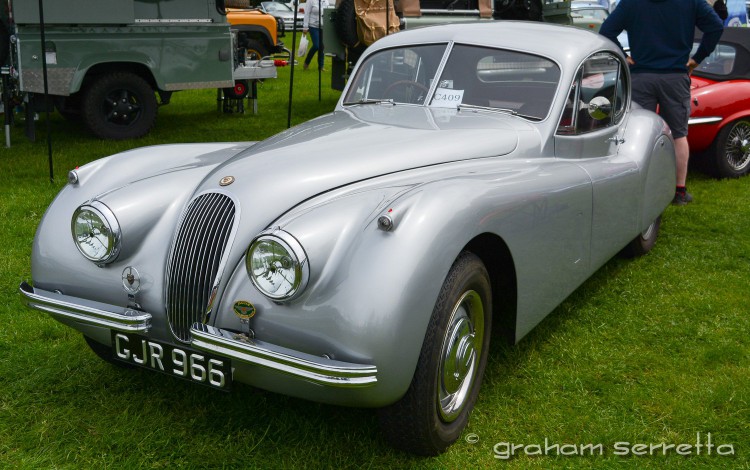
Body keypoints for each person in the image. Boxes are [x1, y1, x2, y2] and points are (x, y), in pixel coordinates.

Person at [600, 0, 723, 205]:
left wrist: (625, 56)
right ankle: (679, 191)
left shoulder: (632, 3)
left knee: (636, 133)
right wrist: (696, 59)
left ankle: (637, 187)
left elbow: (607, 30)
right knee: (678, 134)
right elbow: (716, 27)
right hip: (675, 77)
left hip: (641, 76)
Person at [302, 0, 329, 71]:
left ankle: (321, 66)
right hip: (313, 25)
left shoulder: (326, 1)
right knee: (317, 45)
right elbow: (307, 13)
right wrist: (305, 27)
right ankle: (306, 62)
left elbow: (327, 12)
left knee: (322, 46)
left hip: (323, 26)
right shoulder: (310, 1)